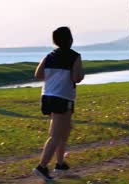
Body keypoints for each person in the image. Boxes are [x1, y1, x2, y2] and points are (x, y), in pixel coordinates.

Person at [33, 27, 84, 181]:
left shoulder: (49, 56)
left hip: (47, 96)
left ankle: (60, 164)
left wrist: (54, 76)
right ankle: (42, 167)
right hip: (63, 98)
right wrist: (80, 73)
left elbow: (38, 75)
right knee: (56, 135)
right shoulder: (74, 56)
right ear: (70, 40)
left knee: (65, 130)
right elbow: (76, 78)